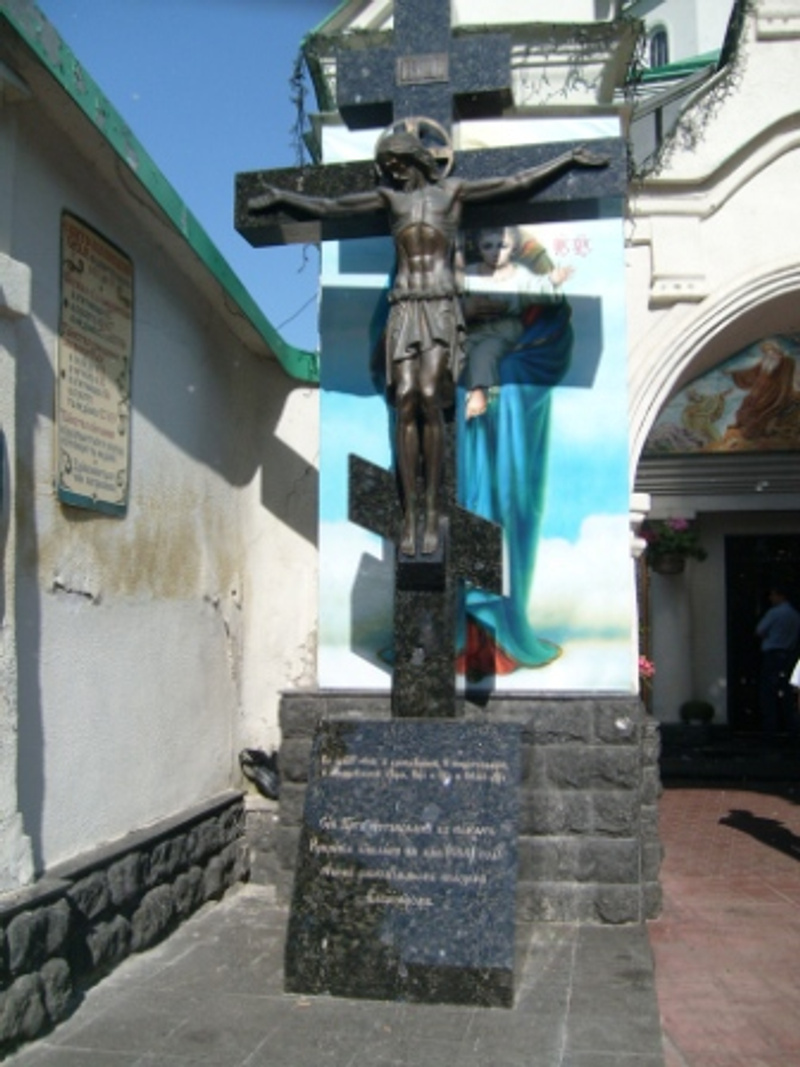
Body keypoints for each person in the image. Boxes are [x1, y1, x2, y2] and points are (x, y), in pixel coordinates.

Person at [248, 124, 606, 557]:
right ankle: (410, 511)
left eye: (397, 162)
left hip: (439, 308)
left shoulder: (452, 193)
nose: (393, 171)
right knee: (405, 402)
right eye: (387, 165)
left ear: (415, 158)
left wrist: (566, 160)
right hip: (404, 307)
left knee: (432, 398)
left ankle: (434, 508)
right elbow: (331, 206)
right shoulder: (391, 201)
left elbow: (516, 182)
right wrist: (282, 197)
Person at [456, 225, 574, 678]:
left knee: (497, 501)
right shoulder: (469, 273)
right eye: (487, 244)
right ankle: (459, 634)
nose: (495, 250)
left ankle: (497, 632)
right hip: (470, 370)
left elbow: (543, 302)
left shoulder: (523, 285)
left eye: (502, 243)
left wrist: (555, 281)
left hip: (497, 368)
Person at [756, 585, 800, 740]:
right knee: (788, 693)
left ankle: (771, 730)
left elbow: (760, 630)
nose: (770, 598)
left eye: (773, 595)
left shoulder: (775, 613)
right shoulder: (794, 614)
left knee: (768, 693)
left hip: (773, 654)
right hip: (789, 654)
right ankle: (792, 729)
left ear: (780, 596)